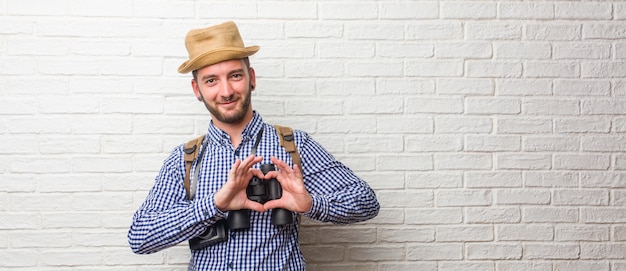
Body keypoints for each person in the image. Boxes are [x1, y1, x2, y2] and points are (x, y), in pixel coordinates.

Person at [128, 21, 380, 271]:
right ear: (197, 89)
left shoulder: (293, 145)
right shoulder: (185, 160)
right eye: (211, 81)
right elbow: (140, 237)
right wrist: (215, 205)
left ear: (252, 78)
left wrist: (310, 204)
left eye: (235, 75)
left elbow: (366, 201)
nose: (226, 91)